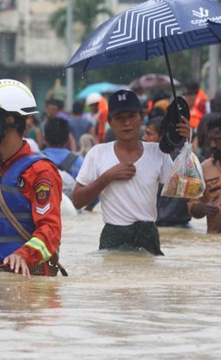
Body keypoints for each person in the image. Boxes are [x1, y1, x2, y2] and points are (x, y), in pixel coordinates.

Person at [73, 89, 191, 255]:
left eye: (131, 117)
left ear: (141, 117)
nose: (126, 123)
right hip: (113, 236)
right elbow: (77, 201)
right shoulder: (97, 154)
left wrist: (185, 146)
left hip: (148, 236)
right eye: (120, 118)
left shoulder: (158, 152)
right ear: (109, 121)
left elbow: (185, 192)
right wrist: (108, 176)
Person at [0, 79, 64, 276]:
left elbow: (51, 230)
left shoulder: (40, 172)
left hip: (30, 279)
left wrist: (24, 254)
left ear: (10, 120)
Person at [142, 117, 192, 228]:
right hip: (154, 226)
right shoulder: (143, 161)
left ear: (163, 138)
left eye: (149, 134)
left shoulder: (184, 163)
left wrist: (189, 143)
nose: (144, 138)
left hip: (176, 227)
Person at [42, 117, 82, 200]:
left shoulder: (34, 161)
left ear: (44, 138)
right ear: (68, 139)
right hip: (73, 211)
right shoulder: (80, 162)